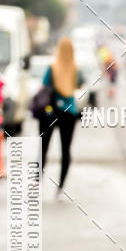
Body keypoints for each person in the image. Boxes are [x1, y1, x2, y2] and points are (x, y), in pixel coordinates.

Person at [39, 38, 84, 196]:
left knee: (43, 148)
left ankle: (37, 183)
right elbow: (80, 85)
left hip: (50, 112)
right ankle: (60, 187)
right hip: (69, 114)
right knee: (66, 150)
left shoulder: (52, 68)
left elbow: (44, 86)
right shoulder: (76, 69)